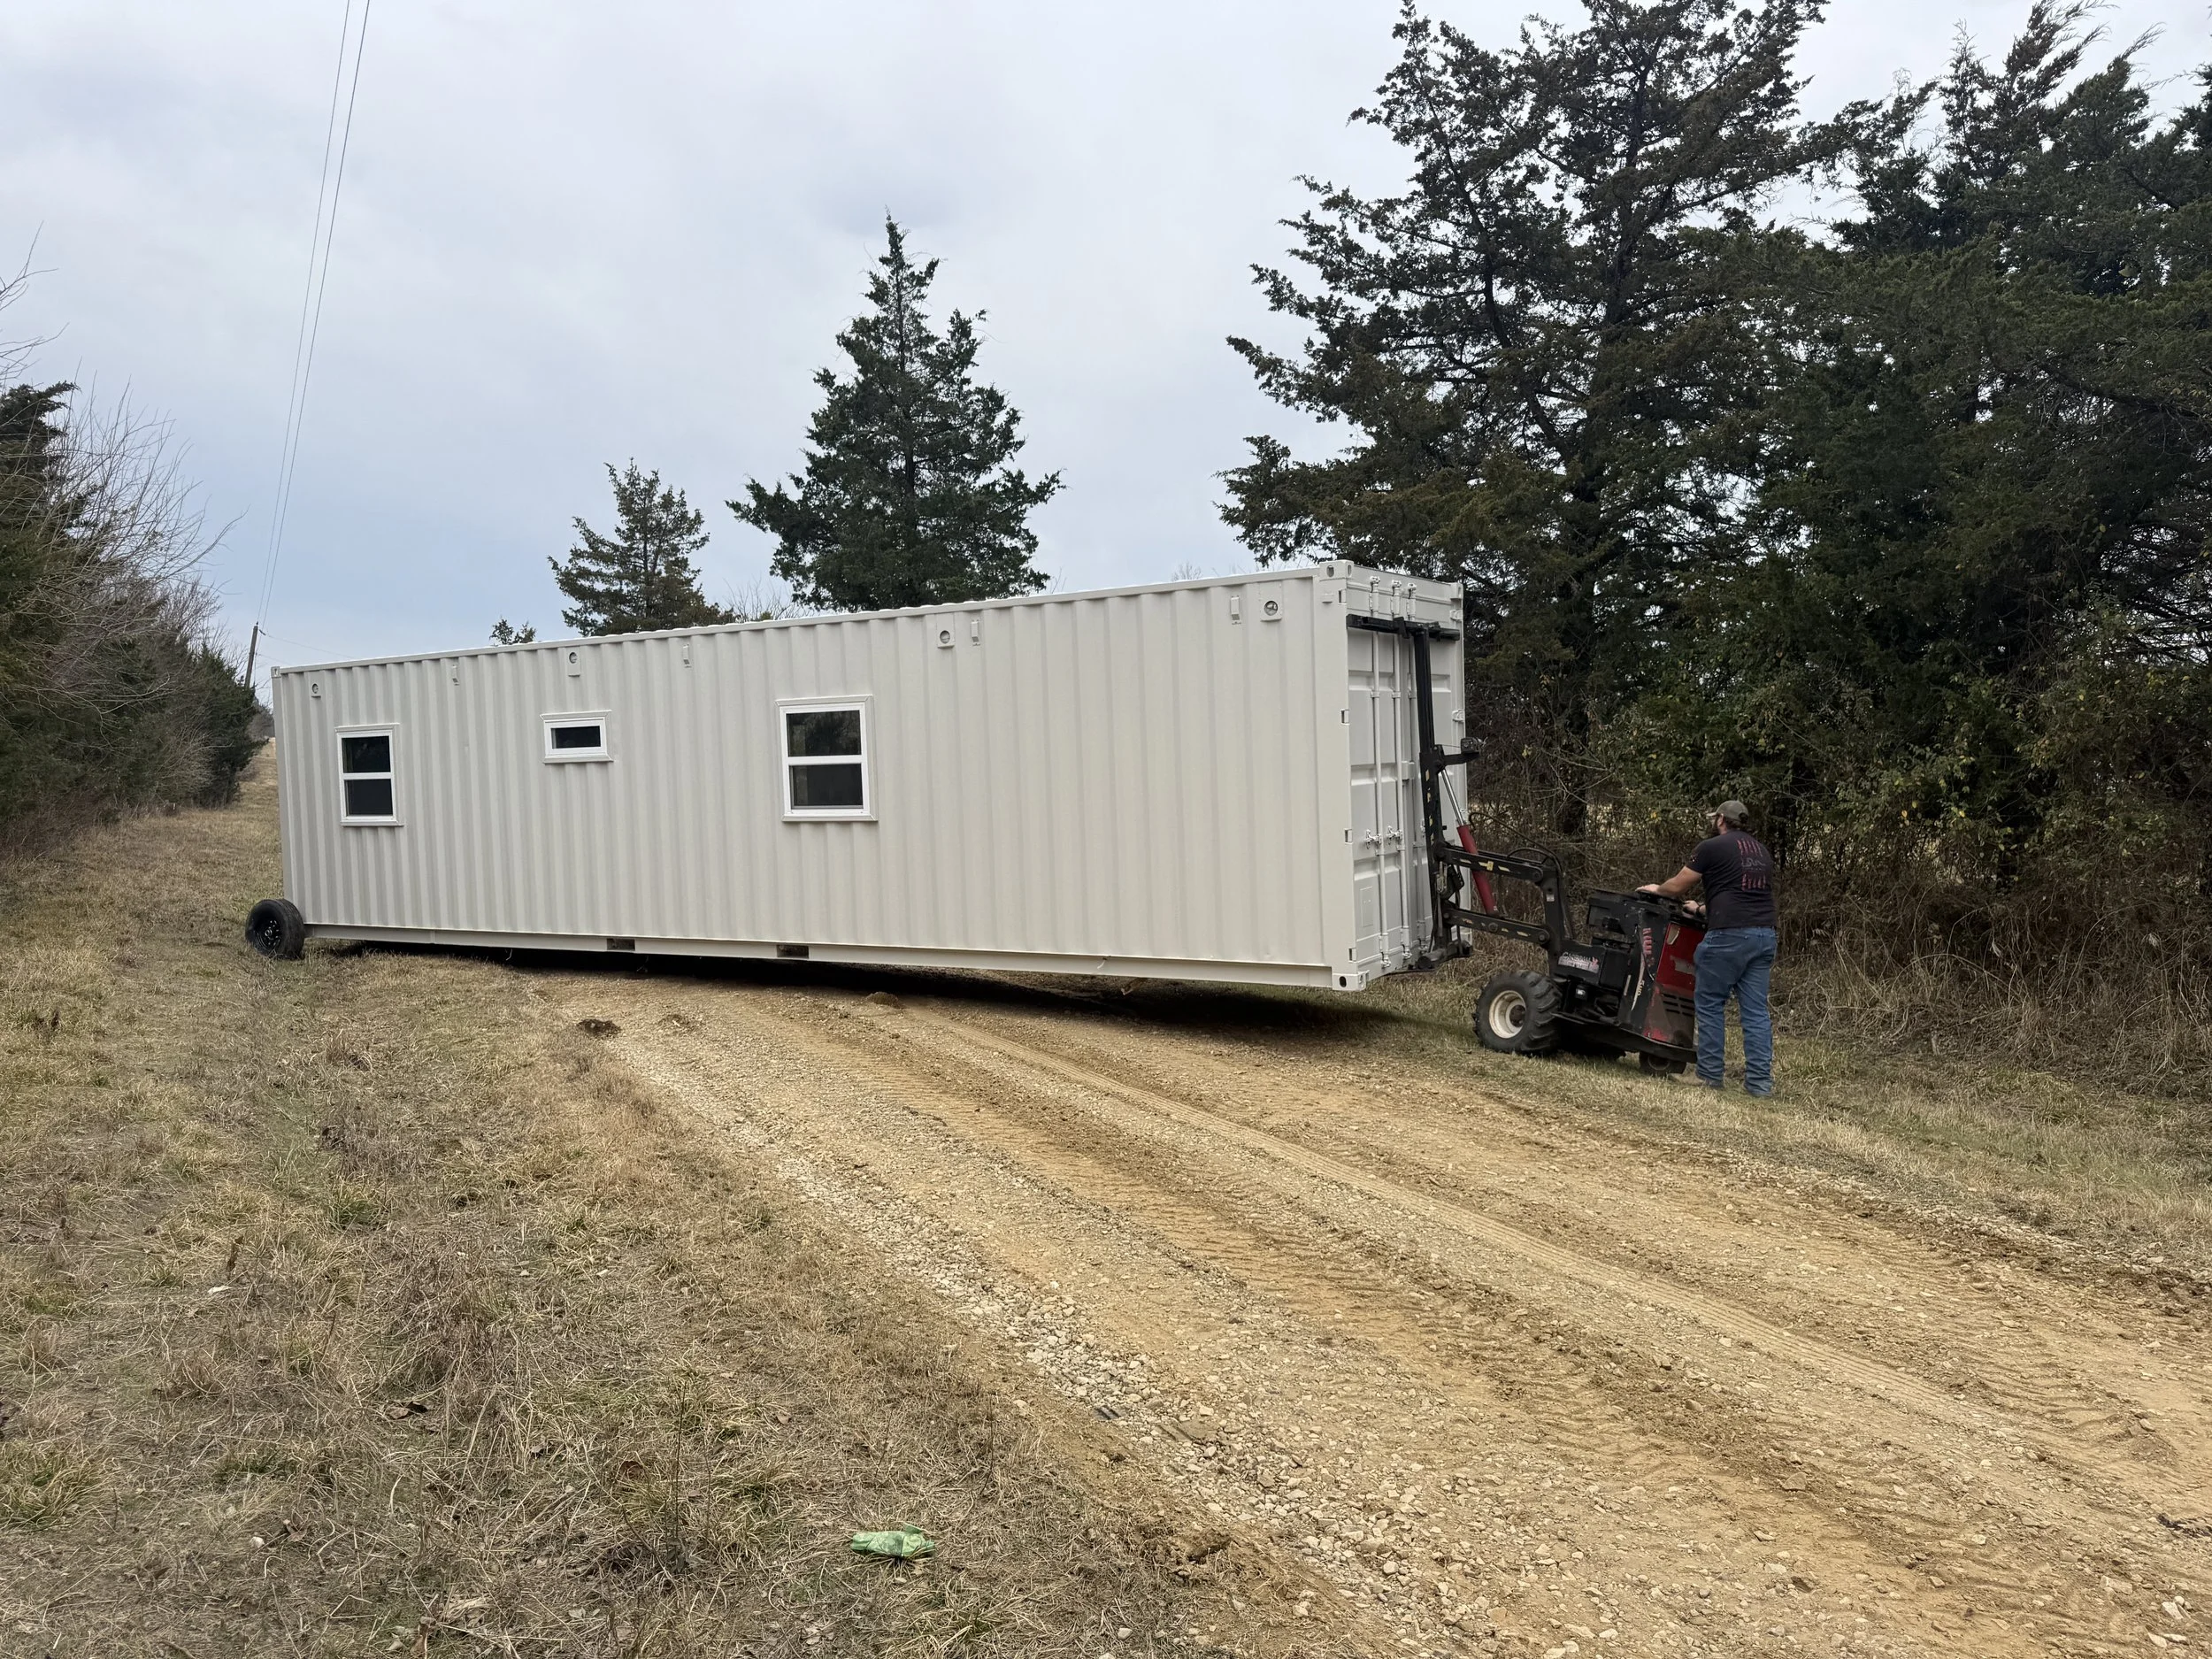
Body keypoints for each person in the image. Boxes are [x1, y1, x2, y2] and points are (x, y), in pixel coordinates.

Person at [1639, 801, 1778, 1095]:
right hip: (1764, 936)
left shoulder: (1712, 847)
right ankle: (1760, 1085)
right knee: (1755, 1013)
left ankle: (1710, 1076)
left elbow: (1677, 886)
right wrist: (1702, 909)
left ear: (1720, 820)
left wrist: (1657, 889)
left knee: (1711, 1002)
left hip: (1728, 937)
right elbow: (1742, 896)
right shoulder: (1761, 852)